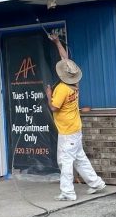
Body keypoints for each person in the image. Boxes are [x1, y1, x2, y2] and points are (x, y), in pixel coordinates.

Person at [44, 31, 106, 201]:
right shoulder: (75, 83)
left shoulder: (62, 89)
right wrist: (57, 43)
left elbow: (54, 108)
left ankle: (68, 193)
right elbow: (67, 62)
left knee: (65, 162)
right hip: (75, 128)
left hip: (67, 131)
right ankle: (96, 184)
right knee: (80, 159)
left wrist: (48, 94)